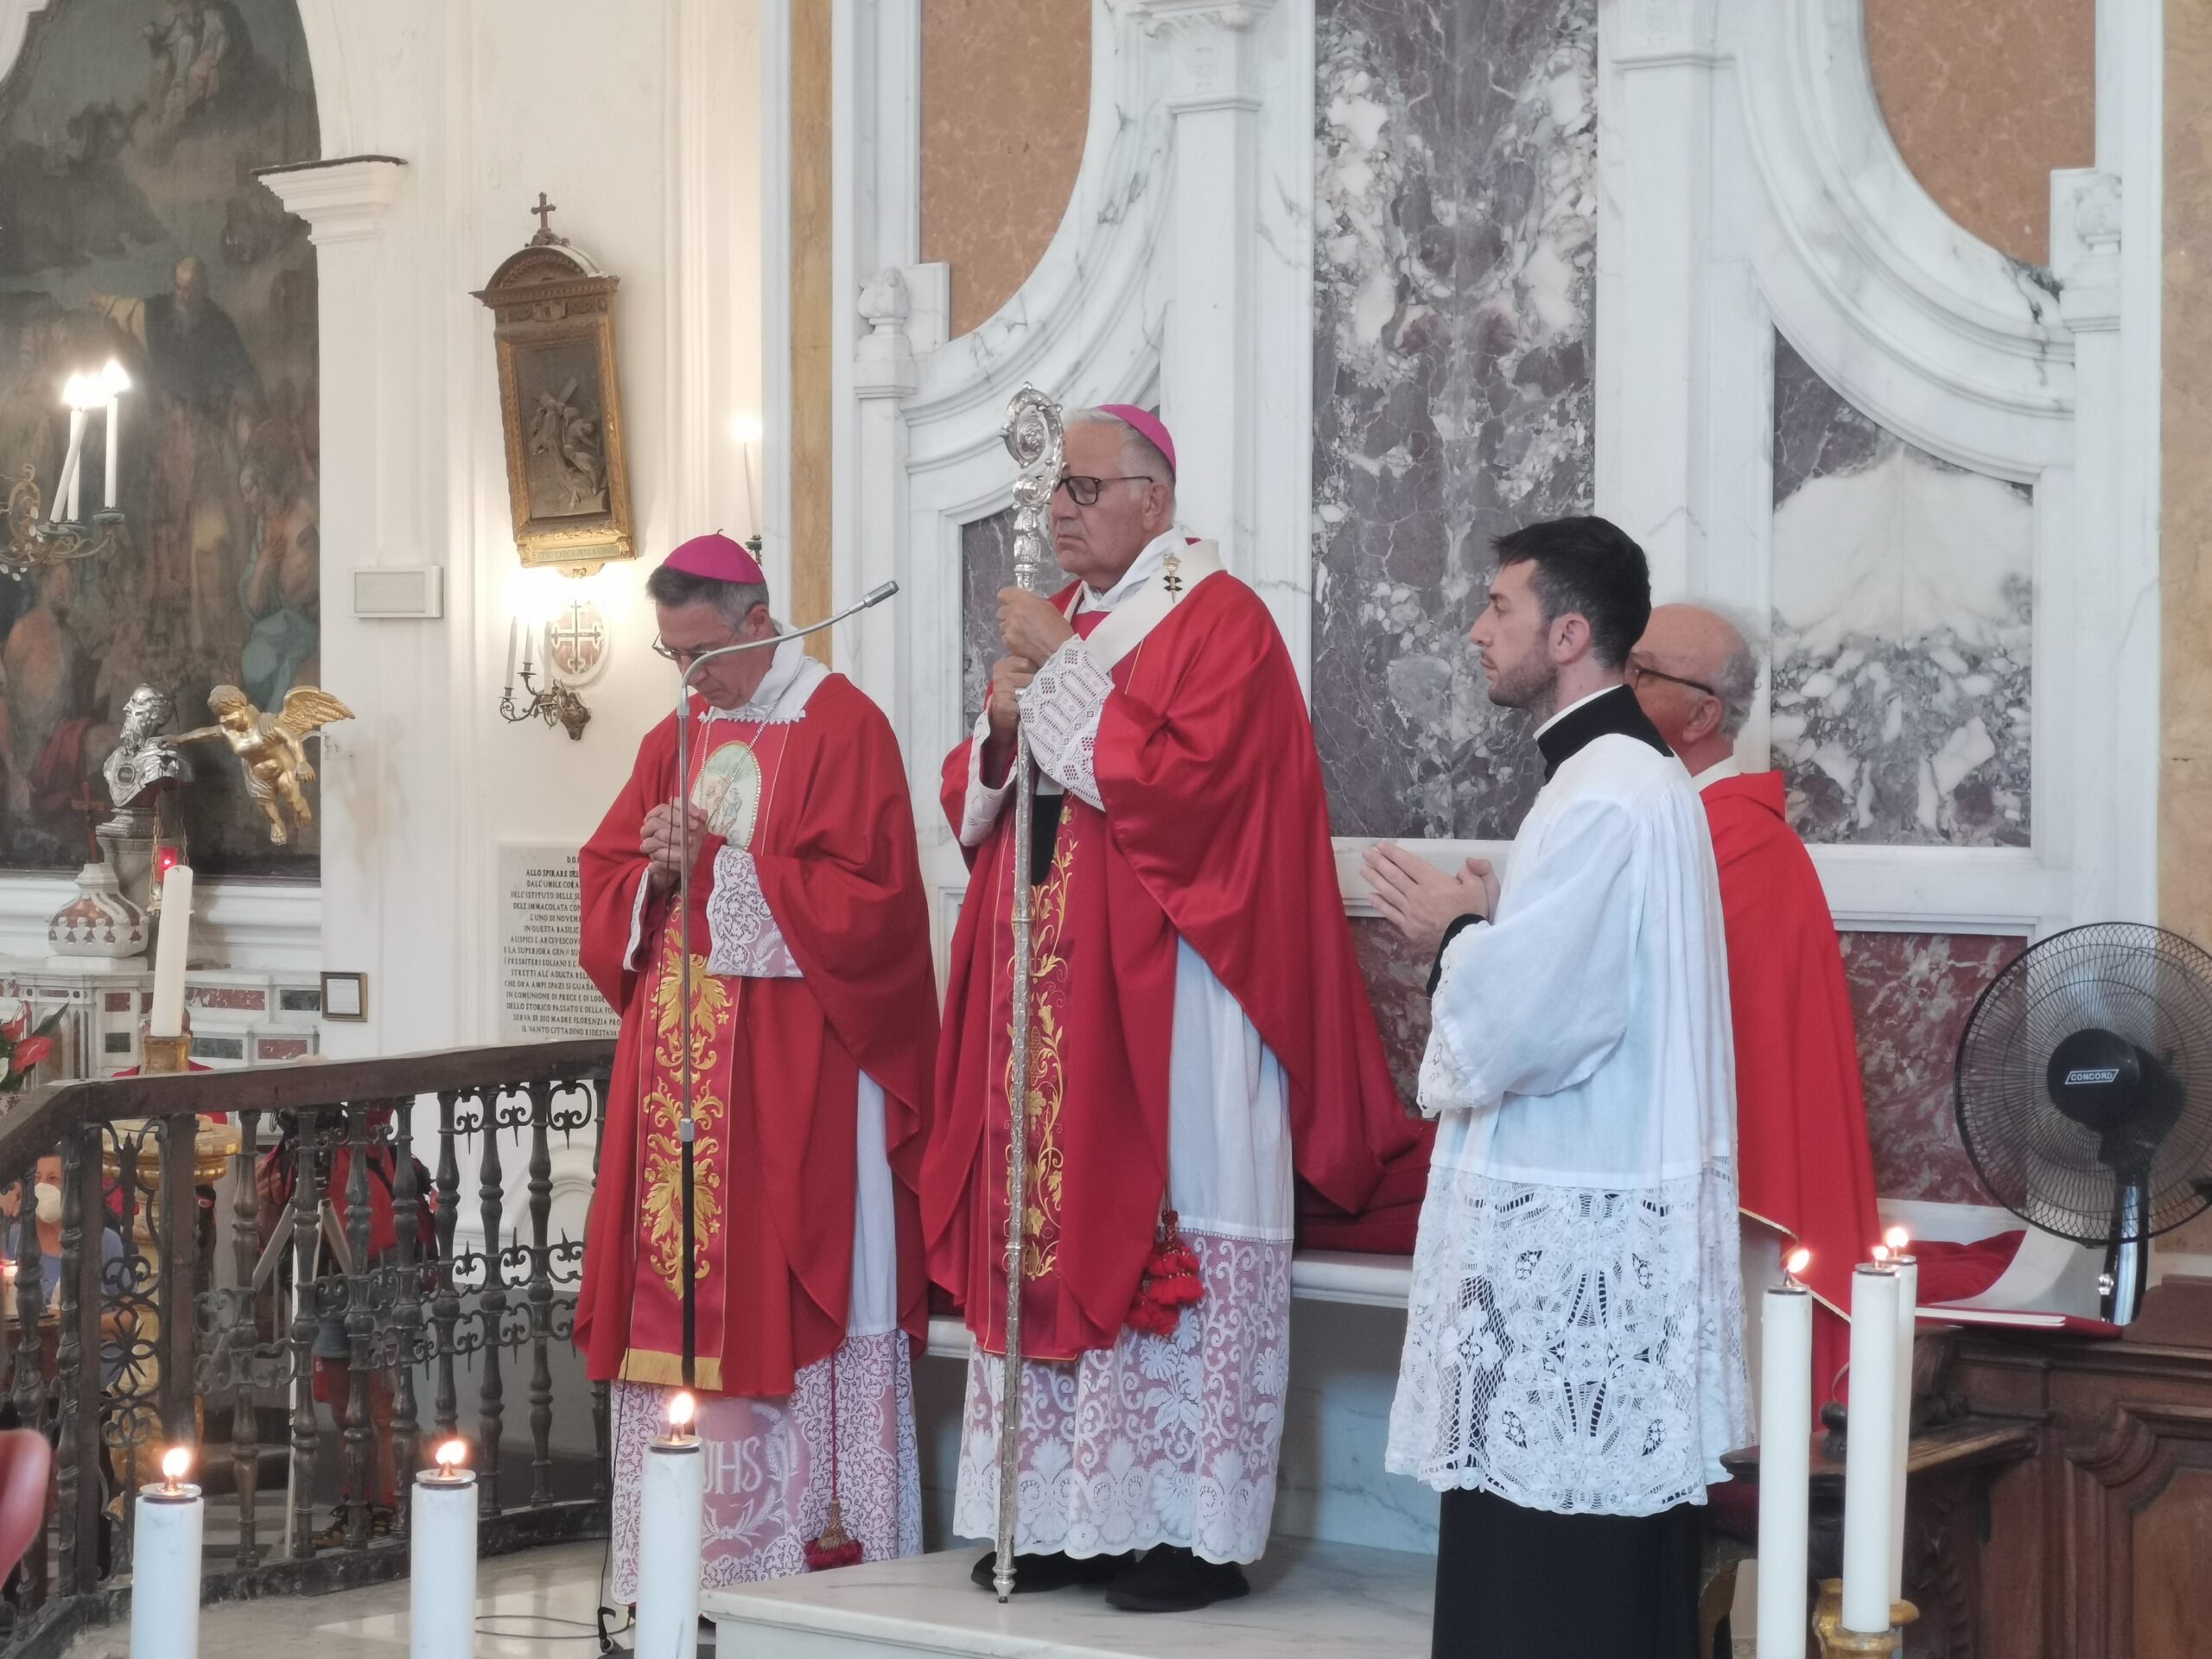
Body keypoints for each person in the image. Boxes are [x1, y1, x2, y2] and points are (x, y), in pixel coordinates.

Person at [924, 405, 1415, 1613]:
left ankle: (1196, 1538)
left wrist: (1062, 666)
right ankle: (1064, 1518)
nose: (1062, 509)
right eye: (1059, 490)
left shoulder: (1219, 618)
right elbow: (983, 801)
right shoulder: (1071, 624)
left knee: (1174, 1224)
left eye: (1086, 488)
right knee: (1049, 1230)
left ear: (1155, 498)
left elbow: (1194, 797)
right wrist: (999, 733)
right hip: (1056, 1000)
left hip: (1184, 994)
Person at [1363, 517, 1748, 1659]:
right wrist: (1495, 925)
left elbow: (1537, 1027)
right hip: (1596, 1219)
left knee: (1548, 1583)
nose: (1477, 632)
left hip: (1574, 1242)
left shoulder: (1604, 791)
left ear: (1569, 634)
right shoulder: (1620, 776)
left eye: (1500, 608)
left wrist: (1453, 937)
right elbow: (1580, 979)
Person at [575, 531, 938, 1596]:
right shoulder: (676, 734)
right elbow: (606, 875)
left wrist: (724, 872)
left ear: (760, 623)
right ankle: (678, 1574)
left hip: (798, 1083)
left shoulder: (843, 729)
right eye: (672, 655)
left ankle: (812, 1563)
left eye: (702, 654)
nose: (689, 679)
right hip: (680, 1090)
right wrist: (652, 875)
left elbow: (876, 913)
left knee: (795, 1282)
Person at [1630, 601, 1880, 1415]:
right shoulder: (1675, 821)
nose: (1615, 686)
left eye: (1639, 672)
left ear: (1704, 715)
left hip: (1731, 1196)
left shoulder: (1739, 841)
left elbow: (1670, 1013)